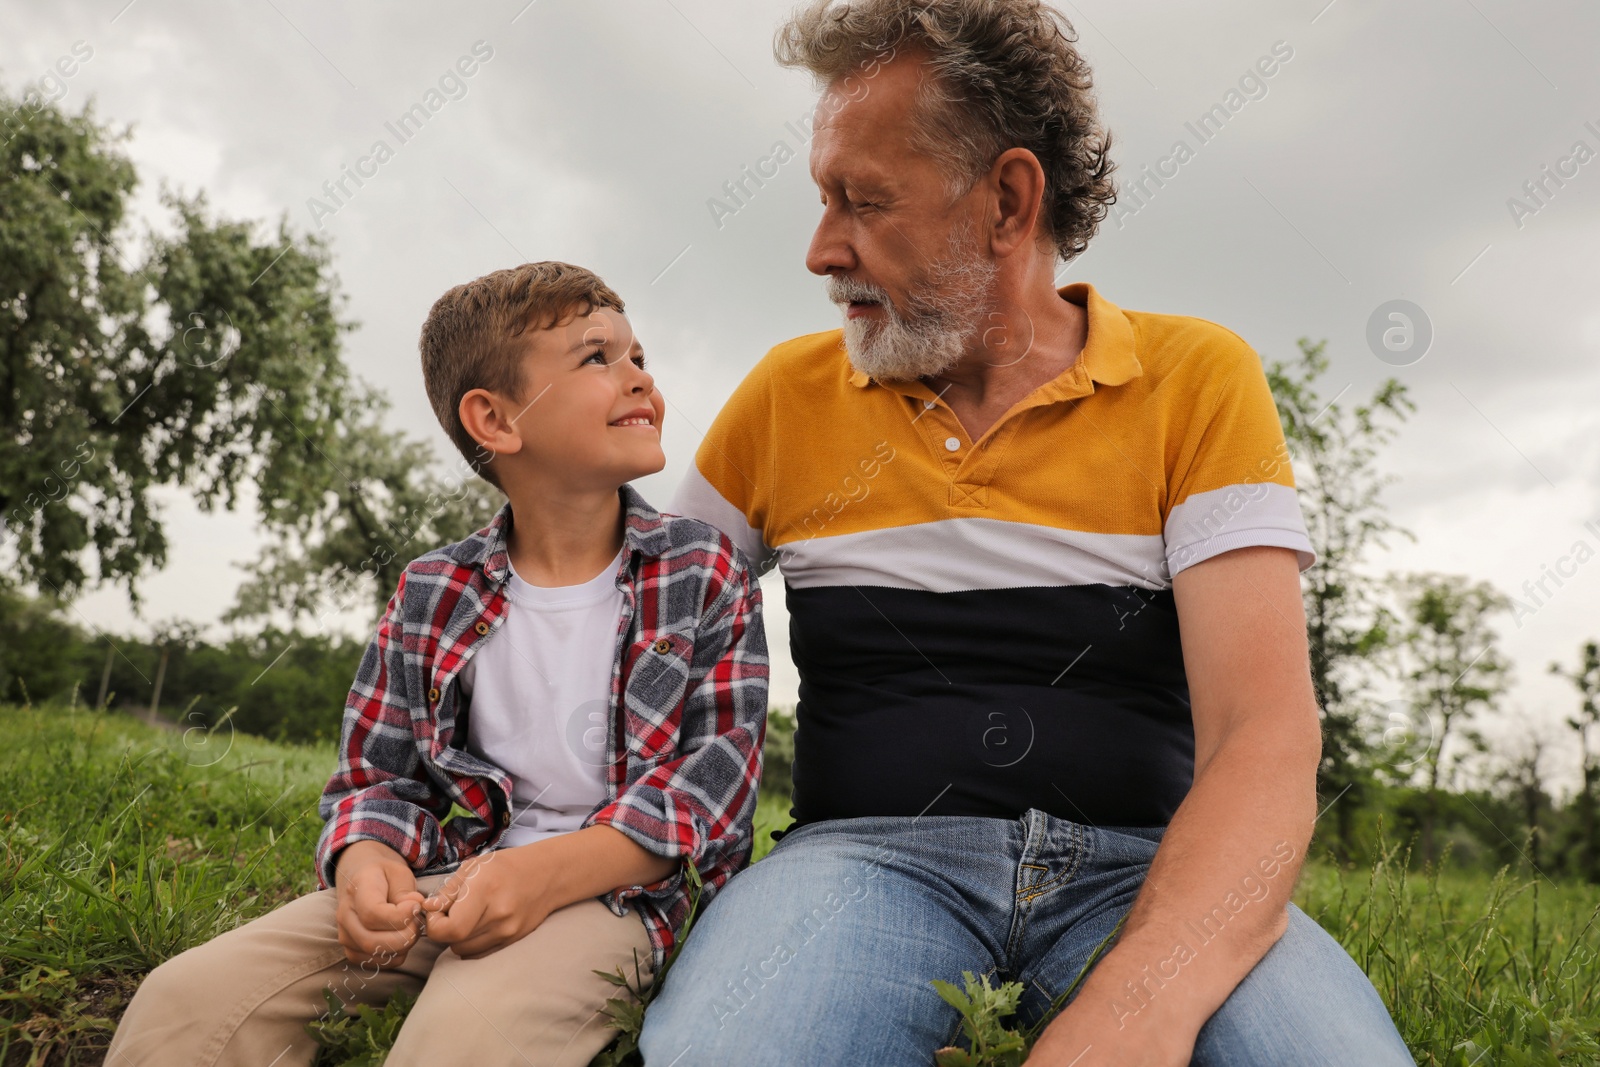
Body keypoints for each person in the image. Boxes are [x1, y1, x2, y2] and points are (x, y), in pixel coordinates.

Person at [637, 2, 1413, 1065]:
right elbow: (637, 635)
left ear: (1007, 198)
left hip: (1145, 873)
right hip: (860, 863)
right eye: (825, 198)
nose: (821, 250)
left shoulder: (1196, 379)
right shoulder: (786, 394)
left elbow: (1262, 734)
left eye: (864, 201)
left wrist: (1135, 1008)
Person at [107, 261, 769, 1067]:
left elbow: (712, 789)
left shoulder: (702, 569)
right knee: (185, 1001)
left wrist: (544, 876)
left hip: (624, 898)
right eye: (598, 358)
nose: (638, 377)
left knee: (463, 1034)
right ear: (494, 420)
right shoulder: (434, 588)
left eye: (639, 357)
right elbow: (378, 776)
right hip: (459, 880)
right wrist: (369, 859)